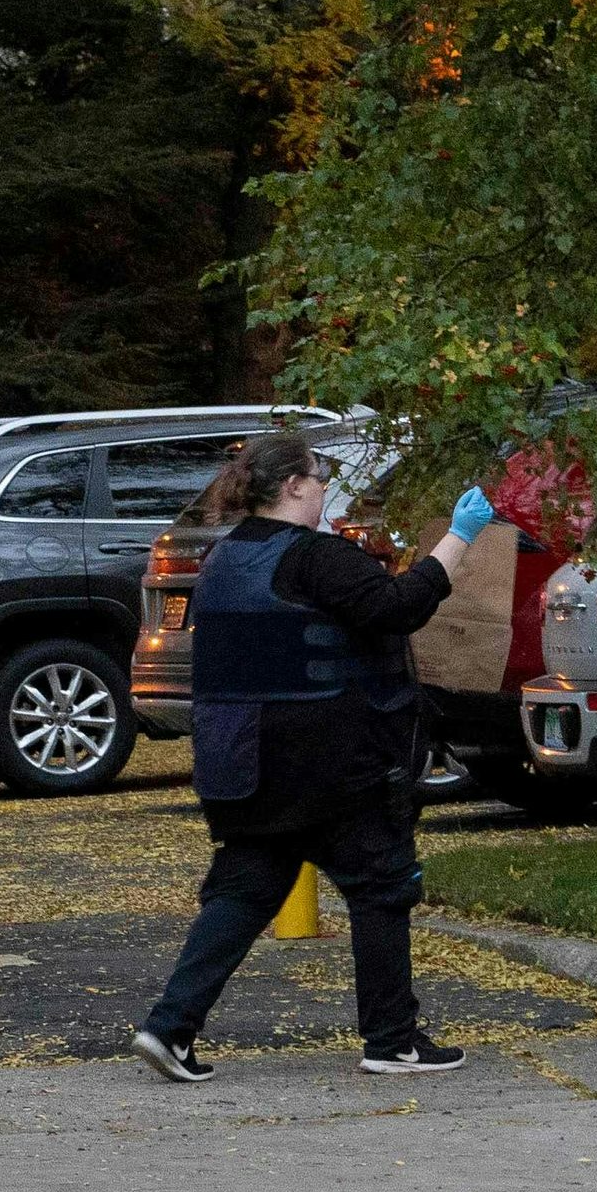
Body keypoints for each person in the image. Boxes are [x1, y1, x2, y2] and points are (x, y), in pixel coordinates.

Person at [133, 431, 489, 1083]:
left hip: (239, 760)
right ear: (292, 485)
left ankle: (168, 1027)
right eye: (318, 476)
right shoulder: (316, 558)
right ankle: (392, 1040)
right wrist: (460, 536)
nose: (325, 486)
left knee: (244, 889)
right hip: (328, 761)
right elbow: (399, 608)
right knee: (381, 885)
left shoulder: (222, 559)